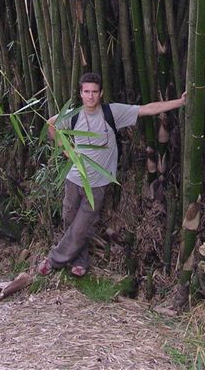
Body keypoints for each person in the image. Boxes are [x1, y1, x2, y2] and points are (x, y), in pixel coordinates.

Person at [37, 72, 186, 277]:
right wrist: (66, 150)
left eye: (94, 92)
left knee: (81, 225)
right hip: (74, 178)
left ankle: (54, 260)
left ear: (101, 93)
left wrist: (180, 102)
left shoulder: (112, 112)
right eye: (86, 92)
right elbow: (51, 124)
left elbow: (148, 109)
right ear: (80, 93)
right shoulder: (73, 115)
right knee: (69, 219)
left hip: (97, 182)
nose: (90, 96)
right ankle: (80, 261)